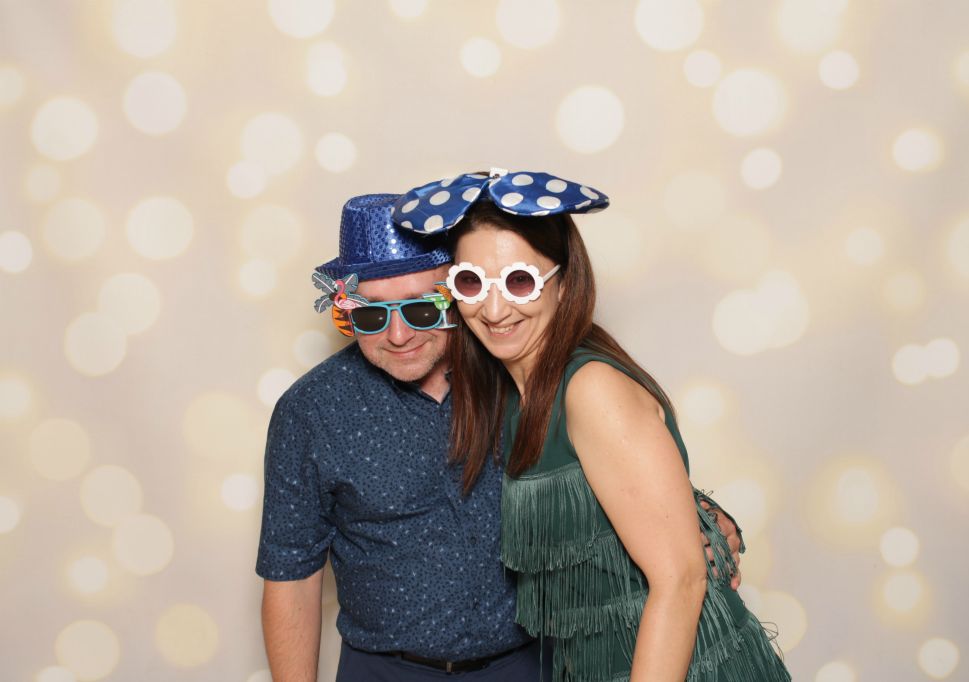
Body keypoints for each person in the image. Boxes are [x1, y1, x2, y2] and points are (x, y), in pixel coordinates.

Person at [256, 192, 745, 681]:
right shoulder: (311, 410)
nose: (399, 335)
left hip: (533, 664)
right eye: (371, 315)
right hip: (383, 670)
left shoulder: (518, 368)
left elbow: (613, 467)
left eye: (422, 309)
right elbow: (290, 577)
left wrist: (699, 517)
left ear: (454, 289)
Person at [392, 169, 791, 681]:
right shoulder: (513, 393)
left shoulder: (590, 389)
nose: (492, 309)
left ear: (564, 283)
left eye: (519, 281)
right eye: (471, 282)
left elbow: (681, 581)